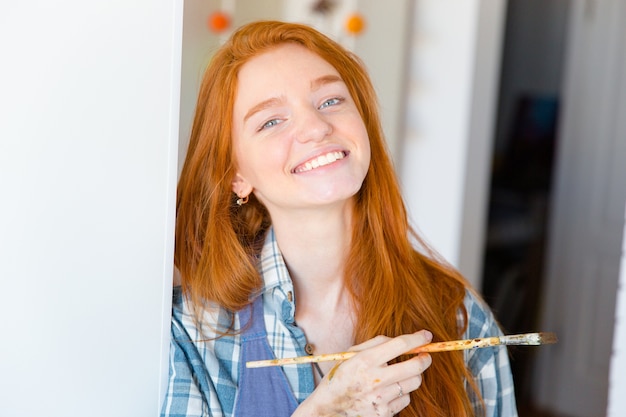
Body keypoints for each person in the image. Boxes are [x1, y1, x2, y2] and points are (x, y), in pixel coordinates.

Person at [161, 20, 518, 417]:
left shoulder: (457, 315)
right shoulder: (194, 332)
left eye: (330, 101)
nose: (315, 127)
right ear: (236, 175)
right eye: (271, 121)